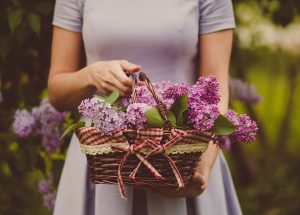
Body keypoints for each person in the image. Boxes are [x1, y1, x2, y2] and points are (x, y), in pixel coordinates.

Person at [47, 0, 242, 214]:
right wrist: (90, 75)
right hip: (102, 157)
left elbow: (216, 89)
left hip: (183, 153)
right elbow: (57, 93)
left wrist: (202, 168)